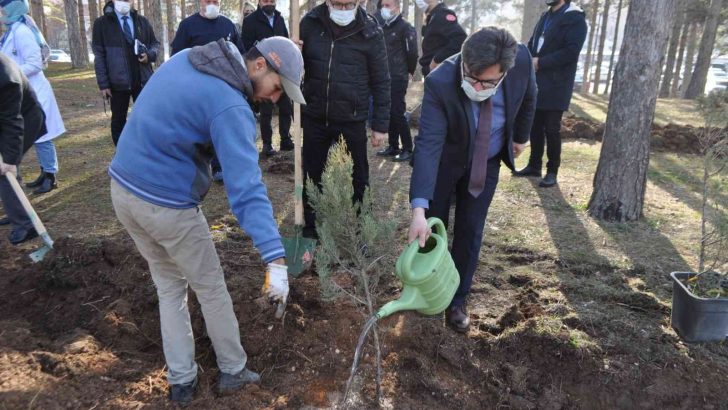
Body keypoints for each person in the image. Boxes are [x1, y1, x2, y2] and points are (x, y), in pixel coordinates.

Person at [109, 36, 304, 405]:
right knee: (211, 287)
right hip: (165, 204)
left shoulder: (191, 57)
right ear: (259, 65)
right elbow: (246, 189)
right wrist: (274, 256)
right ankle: (233, 371)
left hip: (123, 190)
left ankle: (182, 381)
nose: (275, 99)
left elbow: (169, 114)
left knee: (169, 286)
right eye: (278, 88)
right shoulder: (230, 105)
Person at [408, 27, 536, 333]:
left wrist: (520, 137)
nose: (476, 85)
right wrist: (418, 211)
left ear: (504, 72)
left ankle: (457, 300)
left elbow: (530, 96)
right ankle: (429, 290)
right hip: (445, 161)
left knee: (470, 228)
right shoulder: (441, 81)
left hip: (487, 161)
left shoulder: (522, 63)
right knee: (432, 227)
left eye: (486, 82)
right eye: (470, 76)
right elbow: (428, 145)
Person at [299, 0, 390, 239]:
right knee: (311, 174)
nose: (342, 10)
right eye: (337, 4)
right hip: (315, 115)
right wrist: (293, 52)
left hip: (351, 118)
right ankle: (311, 228)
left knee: (359, 177)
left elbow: (381, 80)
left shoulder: (370, 31)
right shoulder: (309, 24)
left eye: (348, 4)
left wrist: (380, 124)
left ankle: (363, 229)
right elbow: (294, 66)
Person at [514, 0, 586, 187]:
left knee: (551, 128)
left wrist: (540, 63)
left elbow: (571, 51)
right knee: (535, 125)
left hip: (558, 84)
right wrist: (528, 59)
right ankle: (534, 165)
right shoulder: (546, 16)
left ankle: (552, 170)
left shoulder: (575, 18)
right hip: (537, 81)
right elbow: (533, 43)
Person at [171, 0, 245, 181]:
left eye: (215, 1)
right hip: (196, 87)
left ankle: (219, 166)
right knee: (197, 128)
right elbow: (177, 57)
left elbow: (240, 54)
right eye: (207, 0)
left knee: (221, 126)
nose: (212, 4)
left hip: (224, 86)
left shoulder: (228, 25)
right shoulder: (188, 26)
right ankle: (192, 167)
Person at [0, 0, 65, 195]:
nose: (1, 13)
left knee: (42, 136)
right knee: (37, 135)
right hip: (20, 92)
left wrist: (11, 75)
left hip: (33, 90)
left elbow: (35, 63)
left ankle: (50, 175)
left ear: (12, 9)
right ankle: (45, 172)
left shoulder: (21, 31)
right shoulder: (11, 31)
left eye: (3, 8)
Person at [92, 0, 160, 146]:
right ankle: (122, 155)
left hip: (142, 80)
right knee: (118, 121)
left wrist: (149, 55)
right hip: (117, 83)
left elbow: (155, 44)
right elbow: (99, 55)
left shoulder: (142, 21)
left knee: (146, 118)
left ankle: (146, 151)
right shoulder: (101, 24)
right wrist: (103, 84)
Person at [0, 53, 45, 243]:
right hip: (6, 119)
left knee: (5, 171)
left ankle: (26, 226)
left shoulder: (5, 77)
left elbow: (12, 121)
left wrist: (10, 160)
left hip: (24, 120)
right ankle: (16, 209)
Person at [241, 0, 293, 156]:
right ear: (259, 2)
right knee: (266, 110)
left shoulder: (279, 19)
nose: (269, 3)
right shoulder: (250, 21)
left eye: (272, 0)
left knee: (286, 107)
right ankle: (267, 144)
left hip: (280, 70)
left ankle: (285, 140)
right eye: (266, 0)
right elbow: (246, 47)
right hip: (262, 73)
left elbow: (286, 41)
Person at [374, 0, 418, 162]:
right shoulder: (383, 27)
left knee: (398, 112)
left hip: (398, 76)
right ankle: (393, 146)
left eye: (388, 5)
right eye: (383, 6)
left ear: (397, 8)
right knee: (390, 112)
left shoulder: (406, 27)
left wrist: (409, 71)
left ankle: (408, 148)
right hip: (384, 77)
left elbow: (412, 53)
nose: (384, 9)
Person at [415, 0, 466, 77]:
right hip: (431, 73)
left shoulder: (442, 14)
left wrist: (437, 59)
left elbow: (460, 38)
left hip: (439, 73)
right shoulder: (432, 16)